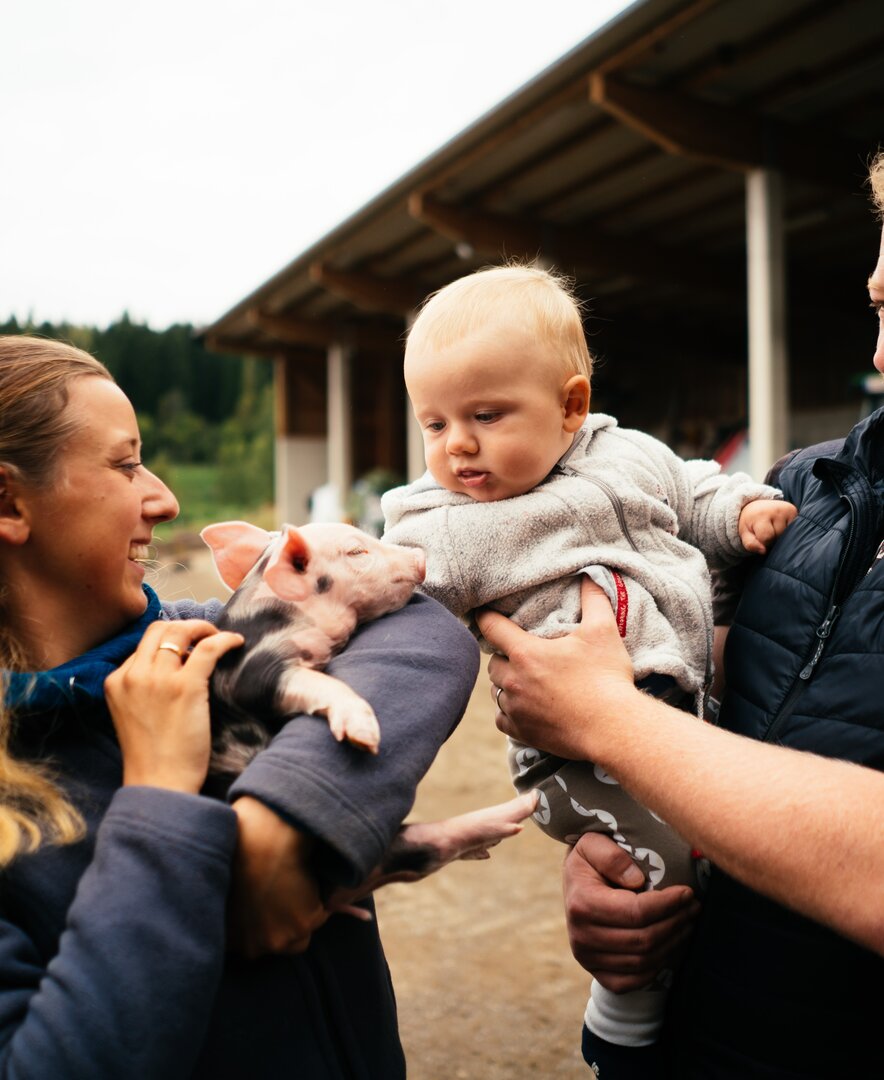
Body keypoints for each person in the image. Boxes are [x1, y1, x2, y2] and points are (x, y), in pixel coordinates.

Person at [478, 153, 884, 1078]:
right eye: (879, 306)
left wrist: (606, 718)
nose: (880, 357)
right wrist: (610, 863)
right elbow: (718, 714)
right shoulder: (802, 490)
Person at [0, 334, 481, 1078]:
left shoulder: (197, 637)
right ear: (8, 501)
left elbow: (422, 628)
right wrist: (160, 801)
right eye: (127, 465)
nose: (164, 497)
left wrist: (282, 824)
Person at [380, 264, 796, 1067]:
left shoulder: (632, 456)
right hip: (577, 755)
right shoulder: (446, 525)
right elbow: (394, 588)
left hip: (679, 709)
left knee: (717, 855)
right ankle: (623, 1023)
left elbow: (695, 490)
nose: (456, 444)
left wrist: (743, 511)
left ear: (572, 405)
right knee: (661, 874)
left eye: (485, 415)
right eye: (433, 425)